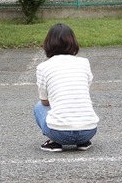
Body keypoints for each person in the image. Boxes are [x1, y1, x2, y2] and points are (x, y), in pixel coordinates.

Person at [34, 23, 99, 152]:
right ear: (73, 42)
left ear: (48, 44)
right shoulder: (84, 62)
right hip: (89, 130)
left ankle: (54, 141)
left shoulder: (43, 67)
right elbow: (85, 87)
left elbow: (44, 101)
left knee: (39, 107)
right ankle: (82, 142)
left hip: (60, 134)